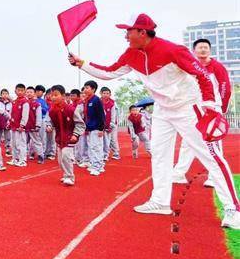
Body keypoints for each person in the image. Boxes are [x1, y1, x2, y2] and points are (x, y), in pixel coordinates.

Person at [68, 13, 239, 228]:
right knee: (159, 154)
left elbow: (203, 76)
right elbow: (110, 72)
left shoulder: (173, 50)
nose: (126, 35)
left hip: (188, 107)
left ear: (142, 32)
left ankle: (234, 209)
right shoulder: (131, 54)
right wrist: (82, 63)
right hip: (162, 110)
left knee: (210, 155)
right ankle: (160, 201)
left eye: (129, 30)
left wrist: (211, 108)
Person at [173, 38, 232, 187]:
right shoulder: (190, 67)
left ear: (210, 50)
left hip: (212, 108)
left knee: (214, 141)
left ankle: (214, 177)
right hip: (193, 108)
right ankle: (179, 173)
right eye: (200, 47)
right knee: (188, 141)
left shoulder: (217, 67)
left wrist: (221, 108)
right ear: (194, 50)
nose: (203, 50)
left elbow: (225, 87)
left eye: (206, 47)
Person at [46, 85, 86, 186]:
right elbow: (50, 122)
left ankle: (70, 177)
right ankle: (65, 174)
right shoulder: (52, 111)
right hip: (59, 138)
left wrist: (75, 134)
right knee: (60, 160)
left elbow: (80, 124)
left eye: (56, 95)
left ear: (63, 96)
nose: (53, 97)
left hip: (69, 137)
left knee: (66, 156)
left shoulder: (71, 109)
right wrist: (49, 126)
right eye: (52, 95)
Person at [81, 80, 105, 176]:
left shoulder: (96, 100)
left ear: (93, 89)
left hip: (96, 127)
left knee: (96, 147)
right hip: (90, 127)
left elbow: (101, 115)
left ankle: (97, 167)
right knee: (92, 147)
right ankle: (97, 164)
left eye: (87, 88)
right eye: (85, 88)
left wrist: (100, 128)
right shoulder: (88, 100)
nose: (85, 90)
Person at [8, 83, 29, 167]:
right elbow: (12, 113)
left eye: (22, 90)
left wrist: (22, 125)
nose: (20, 92)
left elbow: (25, 115)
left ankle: (23, 160)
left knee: (21, 144)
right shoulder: (15, 101)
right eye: (18, 90)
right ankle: (15, 158)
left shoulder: (25, 102)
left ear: (24, 91)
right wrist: (9, 123)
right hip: (13, 126)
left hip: (20, 127)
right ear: (15, 91)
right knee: (13, 143)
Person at [100, 87, 121, 160]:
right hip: (101, 125)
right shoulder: (98, 102)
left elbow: (114, 115)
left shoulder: (112, 103)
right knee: (103, 140)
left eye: (107, 93)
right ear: (101, 94)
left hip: (112, 124)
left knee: (113, 139)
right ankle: (104, 154)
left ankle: (116, 153)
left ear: (110, 94)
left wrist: (111, 125)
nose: (106, 95)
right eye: (104, 93)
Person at [26, 86, 44, 163]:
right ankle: (22, 156)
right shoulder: (24, 102)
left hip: (33, 126)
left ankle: (40, 156)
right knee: (23, 142)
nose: (29, 94)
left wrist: (38, 125)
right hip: (24, 126)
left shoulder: (37, 104)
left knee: (36, 141)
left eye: (31, 92)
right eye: (27, 92)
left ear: (34, 93)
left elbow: (39, 116)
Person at [0, 89, 12, 157]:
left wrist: (9, 121)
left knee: (8, 137)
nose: (4, 95)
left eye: (6, 93)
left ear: (8, 95)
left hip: (7, 122)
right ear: (1, 95)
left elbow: (11, 113)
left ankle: (7, 150)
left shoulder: (11, 103)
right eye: (3, 93)